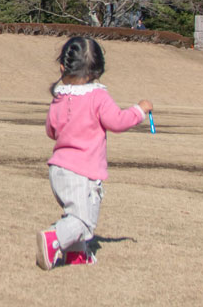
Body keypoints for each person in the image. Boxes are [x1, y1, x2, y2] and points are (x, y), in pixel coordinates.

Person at [37, 36, 153, 270]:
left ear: (63, 67)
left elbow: (51, 130)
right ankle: (53, 239)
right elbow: (117, 121)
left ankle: (76, 254)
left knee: (75, 213)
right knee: (83, 220)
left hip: (58, 170)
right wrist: (139, 110)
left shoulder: (60, 96)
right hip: (82, 172)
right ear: (98, 69)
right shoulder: (97, 96)